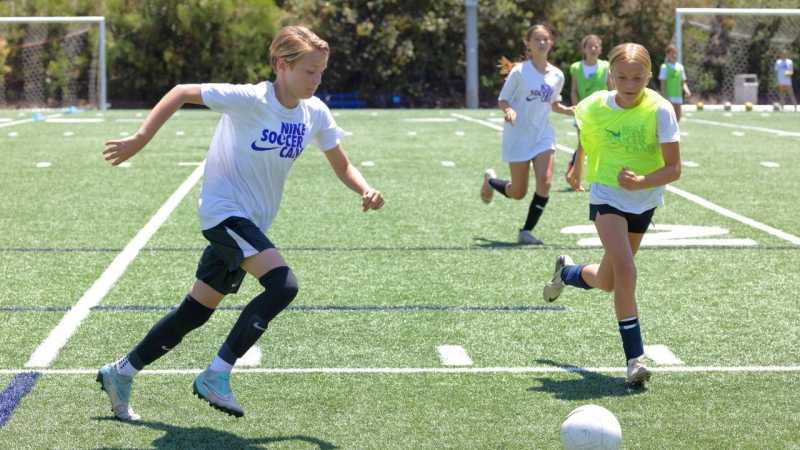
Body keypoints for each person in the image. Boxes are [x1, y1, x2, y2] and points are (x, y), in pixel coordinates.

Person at [97, 25, 384, 421]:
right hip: (224, 214)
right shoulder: (250, 99)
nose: (317, 80)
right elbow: (181, 91)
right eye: (309, 71)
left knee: (195, 312)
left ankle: (120, 372)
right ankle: (216, 374)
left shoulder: (315, 112)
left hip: (251, 223)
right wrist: (140, 138)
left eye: (321, 72)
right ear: (282, 65)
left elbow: (342, 163)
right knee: (283, 285)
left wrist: (365, 189)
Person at [547, 43, 682, 387]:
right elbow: (588, 130)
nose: (629, 84)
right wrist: (578, 163)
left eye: (637, 77)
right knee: (626, 269)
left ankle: (567, 272)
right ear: (611, 76)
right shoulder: (596, 105)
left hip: (644, 200)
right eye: (622, 77)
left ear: (649, 76)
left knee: (608, 280)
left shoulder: (661, 110)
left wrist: (641, 182)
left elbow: (674, 168)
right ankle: (635, 360)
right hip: (606, 195)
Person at [480, 23, 574, 245]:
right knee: (518, 192)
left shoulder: (557, 75)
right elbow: (503, 99)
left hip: (543, 135)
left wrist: (568, 110)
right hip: (518, 136)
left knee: (545, 180)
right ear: (528, 43)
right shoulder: (519, 72)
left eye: (545, 39)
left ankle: (526, 231)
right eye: (537, 39)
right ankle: (491, 181)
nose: (542, 43)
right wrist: (509, 110)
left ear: (551, 42)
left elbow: (553, 103)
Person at [565, 34, 612, 192]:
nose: (593, 49)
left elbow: (611, 88)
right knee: (584, 144)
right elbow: (573, 90)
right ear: (583, 49)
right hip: (583, 112)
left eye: (596, 46)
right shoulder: (576, 67)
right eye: (590, 46)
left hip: (602, 112)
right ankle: (574, 175)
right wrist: (576, 108)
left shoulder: (605, 66)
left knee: (601, 144)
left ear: (600, 49)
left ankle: (598, 178)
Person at [658, 44, 691, 121]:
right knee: (670, 117)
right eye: (672, 53)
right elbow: (663, 84)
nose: (674, 55)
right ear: (667, 54)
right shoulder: (664, 67)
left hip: (678, 96)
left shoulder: (680, 67)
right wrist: (664, 97)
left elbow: (682, 82)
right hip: (668, 96)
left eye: (675, 53)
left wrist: (687, 91)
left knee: (678, 116)